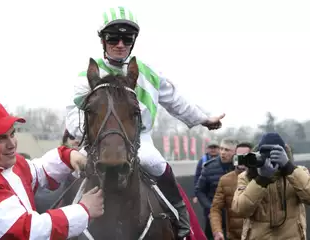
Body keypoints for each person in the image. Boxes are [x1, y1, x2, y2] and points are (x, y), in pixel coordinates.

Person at [65, 6, 225, 238]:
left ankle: (181, 219)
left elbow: (177, 102)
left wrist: (203, 119)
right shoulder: (87, 76)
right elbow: (72, 116)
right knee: (69, 172)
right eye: (113, 38)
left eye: (127, 38)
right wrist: (87, 137)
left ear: (133, 41)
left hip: (138, 141)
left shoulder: (149, 73)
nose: (120, 44)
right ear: (103, 40)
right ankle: (61, 223)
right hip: (96, 141)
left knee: (160, 166)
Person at [0, 100, 104, 239]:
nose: (12, 144)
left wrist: (68, 157)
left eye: (12, 134)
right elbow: (28, 232)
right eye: (0, 139)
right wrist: (84, 210)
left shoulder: (0, 162)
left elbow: (36, 171)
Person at [232, 133, 309, 240]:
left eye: (275, 154)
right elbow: (240, 209)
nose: (270, 159)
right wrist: (261, 179)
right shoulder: (246, 176)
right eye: (266, 155)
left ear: (284, 154)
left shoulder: (298, 172)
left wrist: (288, 167)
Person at [195, 137, 238, 239]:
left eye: (227, 150)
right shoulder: (209, 167)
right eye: (222, 149)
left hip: (235, 216)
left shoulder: (241, 167)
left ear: (235, 152)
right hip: (214, 215)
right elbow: (199, 190)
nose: (223, 152)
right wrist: (210, 207)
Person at [210, 142, 252, 240]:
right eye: (239, 156)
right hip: (234, 236)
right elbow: (215, 209)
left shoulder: (262, 178)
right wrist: (217, 231)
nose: (242, 159)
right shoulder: (225, 180)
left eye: (245, 156)